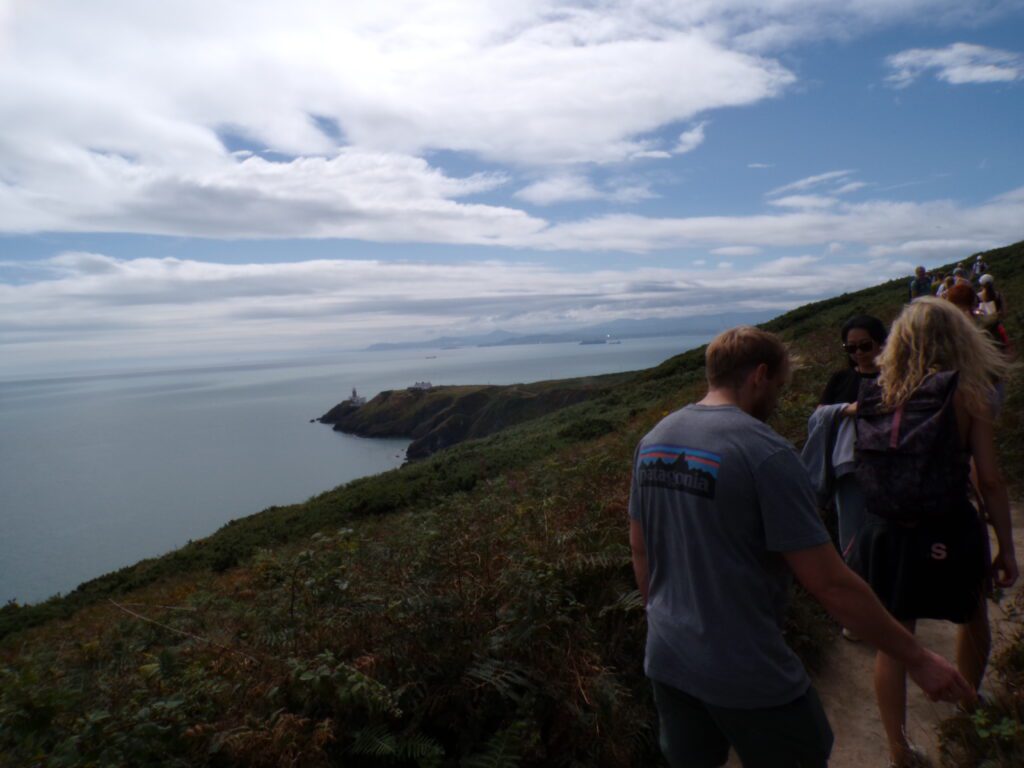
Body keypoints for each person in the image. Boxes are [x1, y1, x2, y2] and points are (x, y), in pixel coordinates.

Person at [628, 326, 974, 768]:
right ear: (759, 375)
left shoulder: (654, 439)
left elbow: (641, 551)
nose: (779, 396)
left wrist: (662, 616)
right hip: (746, 666)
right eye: (779, 385)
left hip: (667, 658)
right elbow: (830, 584)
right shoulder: (766, 453)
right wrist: (918, 658)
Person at [848, 298, 1016, 767]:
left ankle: (899, 748)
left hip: (884, 531)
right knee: (972, 615)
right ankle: (966, 706)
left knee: (895, 639)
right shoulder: (967, 392)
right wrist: (1005, 547)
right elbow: (990, 480)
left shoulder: (876, 391)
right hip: (948, 524)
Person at [817, 316, 886, 556]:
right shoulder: (841, 379)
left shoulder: (895, 378)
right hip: (849, 470)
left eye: (865, 346)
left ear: (881, 343)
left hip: (890, 468)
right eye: (851, 348)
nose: (858, 353)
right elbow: (818, 416)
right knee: (852, 535)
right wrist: (847, 409)